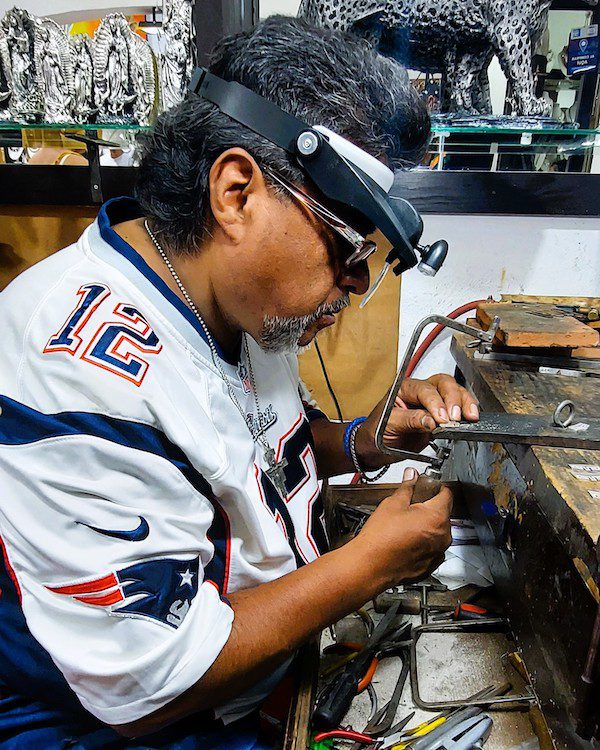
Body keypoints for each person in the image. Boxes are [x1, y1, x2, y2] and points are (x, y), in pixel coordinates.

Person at [0, 16, 479, 750]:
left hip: (257, 679)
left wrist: (361, 440)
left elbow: (248, 454)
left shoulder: (237, 298)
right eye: (348, 246)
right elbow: (148, 685)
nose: (355, 284)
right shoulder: (75, 368)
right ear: (235, 193)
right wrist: (364, 568)